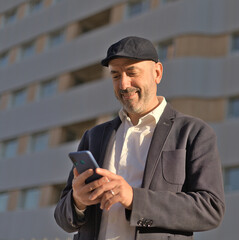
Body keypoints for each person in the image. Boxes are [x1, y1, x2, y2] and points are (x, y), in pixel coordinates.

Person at [54, 36, 225, 240]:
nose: (124, 84)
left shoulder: (193, 132)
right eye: (116, 75)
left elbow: (210, 209)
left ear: (157, 73)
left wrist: (134, 199)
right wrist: (77, 201)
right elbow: (62, 218)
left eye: (132, 73)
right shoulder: (94, 136)